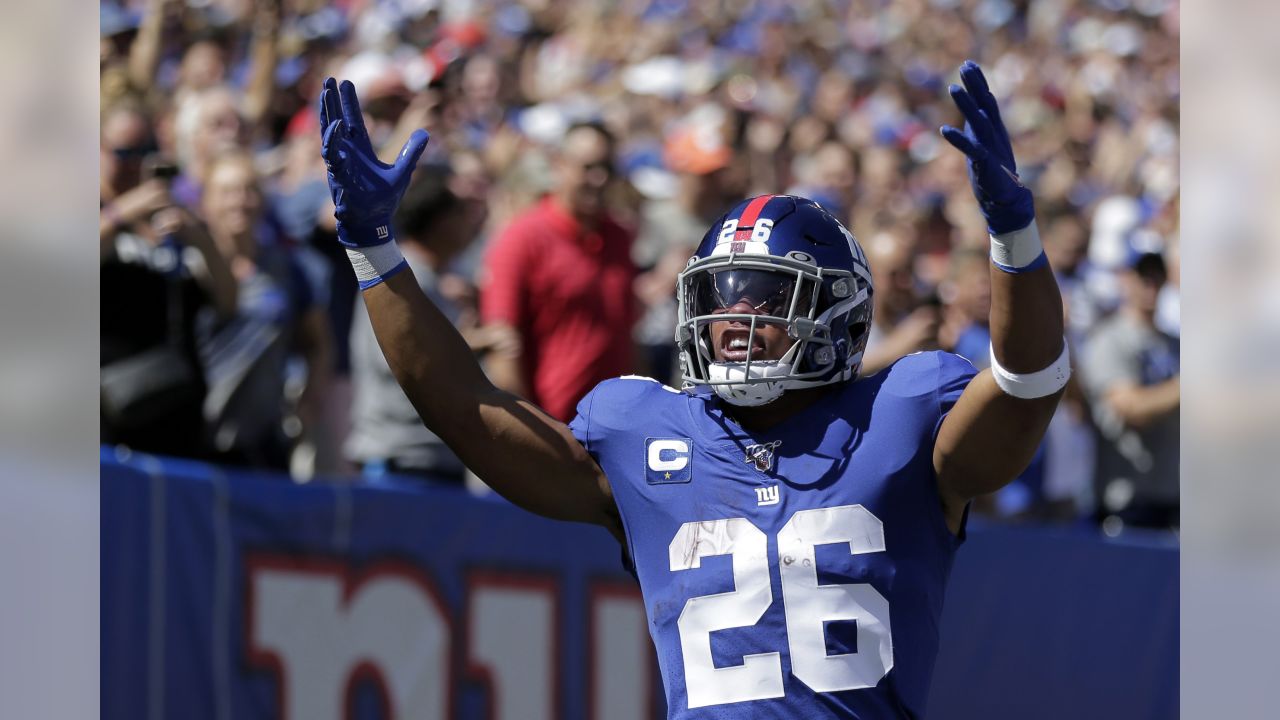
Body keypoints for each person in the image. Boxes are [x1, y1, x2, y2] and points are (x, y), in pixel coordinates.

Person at [317, 62, 1068, 718]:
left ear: (839, 312)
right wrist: (372, 250)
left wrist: (1013, 236)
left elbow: (1027, 384)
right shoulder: (644, 430)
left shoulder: (900, 416)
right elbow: (462, 409)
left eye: (769, 298)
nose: (734, 321)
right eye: (721, 298)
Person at [346, 164, 511, 484]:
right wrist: (474, 342)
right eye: (463, 211)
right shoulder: (399, 278)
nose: (472, 221)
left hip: (436, 458)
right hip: (399, 458)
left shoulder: (437, 281)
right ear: (440, 220)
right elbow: (397, 356)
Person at [478, 120, 638, 421]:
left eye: (607, 168)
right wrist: (533, 436)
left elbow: (626, 333)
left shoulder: (619, 236)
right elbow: (502, 348)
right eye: (588, 168)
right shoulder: (522, 238)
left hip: (610, 433)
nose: (599, 179)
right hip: (551, 429)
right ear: (559, 166)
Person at [1082, 248, 1180, 529]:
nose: (1150, 284)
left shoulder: (1177, 343)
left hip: (1174, 495)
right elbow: (1130, 409)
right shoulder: (1109, 339)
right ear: (1125, 278)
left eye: (1156, 275)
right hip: (1127, 499)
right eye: (1142, 276)